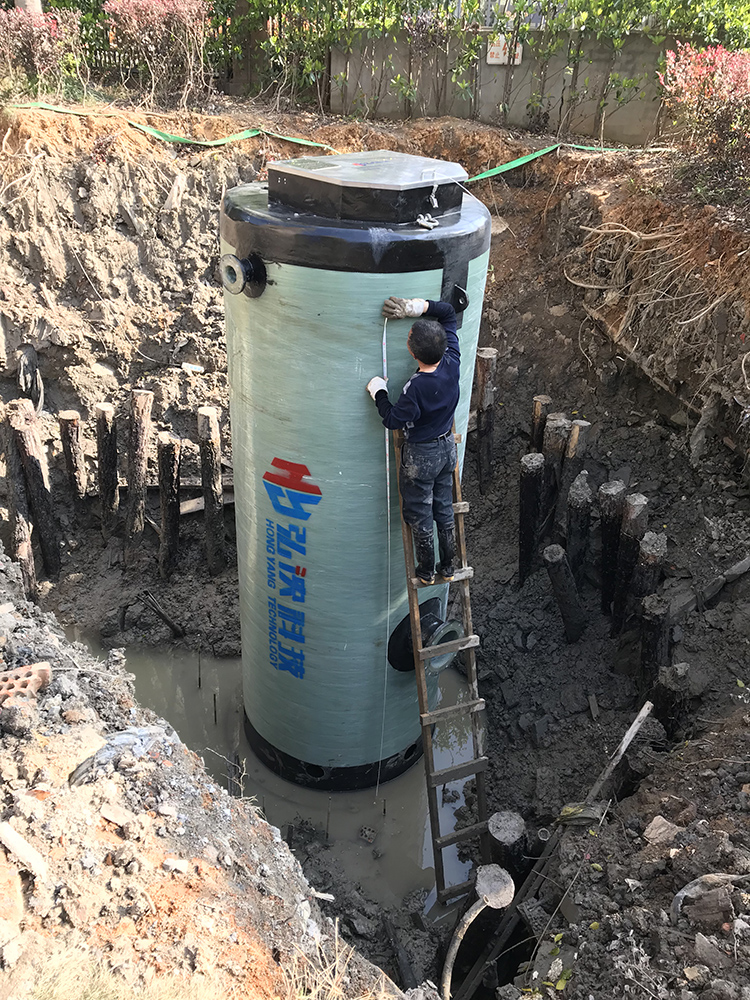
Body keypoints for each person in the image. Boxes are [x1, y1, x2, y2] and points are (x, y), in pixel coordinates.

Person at [366, 295, 459, 585]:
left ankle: (426, 571)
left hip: (422, 456)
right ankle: (449, 567)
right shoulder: (453, 361)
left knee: (420, 513)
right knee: (444, 508)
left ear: (411, 351)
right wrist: (415, 307)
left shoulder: (415, 389)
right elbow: (447, 313)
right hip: (447, 449)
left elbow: (393, 420)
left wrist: (378, 392)